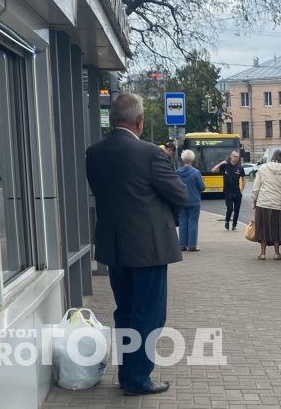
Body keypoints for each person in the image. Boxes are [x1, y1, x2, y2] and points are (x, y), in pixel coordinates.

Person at [85, 93, 187, 397]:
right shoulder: (150, 154)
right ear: (139, 121)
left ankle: (127, 373)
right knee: (149, 314)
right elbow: (179, 194)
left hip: (115, 247)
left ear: (113, 119)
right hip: (149, 248)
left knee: (126, 311)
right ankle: (138, 380)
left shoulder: (94, 152)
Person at [252, 149, 281, 260]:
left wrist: (254, 200)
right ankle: (276, 253)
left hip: (263, 203)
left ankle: (262, 254)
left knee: (263, 228)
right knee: (276, 228)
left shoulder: (263, 168)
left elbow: (256, 187)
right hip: (277, 205)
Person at [177, 149, 205, 252]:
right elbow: (202, 187)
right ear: (192, 159)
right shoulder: (196, 172)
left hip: (181, 200)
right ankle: (192, 245)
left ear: (183, 159)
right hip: (194, 201)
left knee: (182, 222)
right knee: (193, 222)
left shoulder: (178, 172)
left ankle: (182, 245)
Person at [212, 150, 245, 230]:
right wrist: (220, 163)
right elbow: (213, 170)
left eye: (237, 157)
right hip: (228, 191)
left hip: (237, 191)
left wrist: (241, 190)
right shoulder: (225, 166)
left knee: (237, 210)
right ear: (231, 156)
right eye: (234, 156)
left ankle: (234, 225)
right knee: (230, 208)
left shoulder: (240, 167)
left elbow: (244, 179)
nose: (236, 158)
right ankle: (227, 221)